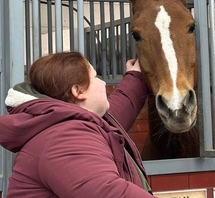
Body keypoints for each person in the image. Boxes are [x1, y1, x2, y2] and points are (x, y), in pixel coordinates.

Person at [0, 51, 154, 198]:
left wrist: (136, 76)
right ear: (78, 91)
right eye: (95, 76)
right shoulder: (64, 139)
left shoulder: (67, 123)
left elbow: (118, 110)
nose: (103, 82)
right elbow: (108, 193)